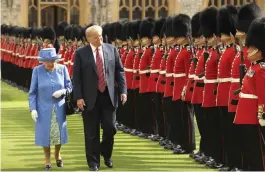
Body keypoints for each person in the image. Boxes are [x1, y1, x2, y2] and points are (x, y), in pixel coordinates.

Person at [72, 25, 127, 171]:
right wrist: (78, 97)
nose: (100, 39)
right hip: (89, 98)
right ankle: (93, 162)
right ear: (89, 38)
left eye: (101, 36)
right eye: (96, 37)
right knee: (91, 133)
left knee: (110, 128)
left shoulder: (112, 49)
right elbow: (76, 78)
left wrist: (123, 91)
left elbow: (119, 72)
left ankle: (106, 154)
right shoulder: (80, 53)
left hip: (108, 96)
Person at [28, 48, 72, 171]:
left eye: (52, 60)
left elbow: (70, 86)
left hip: (59, 107)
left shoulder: (62, 69)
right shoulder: (37, 71)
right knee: (45, 134)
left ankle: (57, 154)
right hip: (43, 108)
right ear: (42, 61)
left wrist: (63, 91)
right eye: (47, 61)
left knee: (58, 134)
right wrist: (33, 109)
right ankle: (47, 158)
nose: (50, 63)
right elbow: (32, 93)